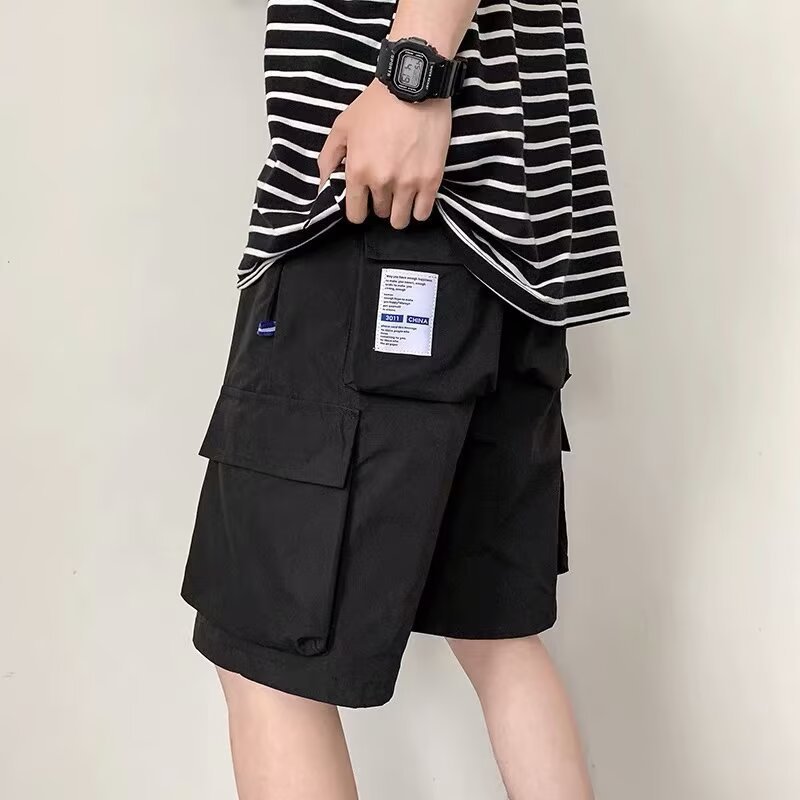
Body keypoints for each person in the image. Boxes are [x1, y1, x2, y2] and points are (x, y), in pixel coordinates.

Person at [181, 0, 629, 797]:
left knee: (267, 658)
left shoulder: (412, 93)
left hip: (380, 213)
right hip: (508, 250)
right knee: (497, 634)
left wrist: (411, 74)